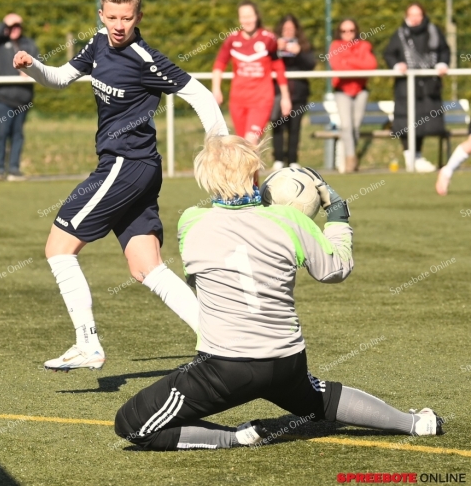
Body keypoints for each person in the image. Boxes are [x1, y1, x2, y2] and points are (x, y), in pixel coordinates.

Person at [114, 135, 444, 451]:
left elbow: (195, 281)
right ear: (256, 172)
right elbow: (336, 270)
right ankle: (416, 423)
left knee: (132, 424)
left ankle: (234, 437)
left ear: (205, 177)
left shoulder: (191, 221)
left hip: (226, 368)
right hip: (286, 362)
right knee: (323, 398)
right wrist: (338, 214)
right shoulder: (288, 218)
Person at [14, 0, 228, 371]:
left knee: (57, 248)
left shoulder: (146, 58)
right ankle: (221, 339)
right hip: (135, 168)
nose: (118, 25)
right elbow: (61, 78)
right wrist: (34, 67)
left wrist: (221, 146)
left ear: (138, 16)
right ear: (101, 14)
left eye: (126, 18)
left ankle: (87, 344)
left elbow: (198, 93)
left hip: (125, 165)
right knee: (146, 266)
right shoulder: (97, 43)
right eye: (111, 17)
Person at [212, 0, 291, 145]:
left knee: (251, 141)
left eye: (250, 16)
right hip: (238, 100)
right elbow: (220, 64)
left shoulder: (268, 38)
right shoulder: (232, 40)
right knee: (242, 146)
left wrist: (286, 97)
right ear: (239, 19)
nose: (247, 20)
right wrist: (216, 89)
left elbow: (278, 67)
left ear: (257, 16)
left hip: (261, 100)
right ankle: (253, 169)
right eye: (243, 16)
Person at [383, 3, 450, 173]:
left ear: (423, 15)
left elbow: (444, 51)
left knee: (425, 121)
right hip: (406, 87)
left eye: (418, 14)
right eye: (411, 14)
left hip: (429, 86)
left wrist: (442, 63)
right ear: (406, 16)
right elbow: (389, 53)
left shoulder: (434, 31)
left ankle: (418, 155)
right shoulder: (399, 34)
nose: (415, 18)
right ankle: (410, 155)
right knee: (406, 120)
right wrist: (397, 65)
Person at [0, 13, 39, 181]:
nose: (14, 29)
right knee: (2, 133)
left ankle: (14, 169)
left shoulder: (28, 44)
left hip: (23, 98)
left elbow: (38, 63)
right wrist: (4, 22)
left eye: (17, 26)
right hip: (2, 97)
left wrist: (29, 71)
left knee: (18, 134)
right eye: (11, 27)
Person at [328, 18, 378, 173]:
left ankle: (351, 157)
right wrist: (356, 63)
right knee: (347, 126)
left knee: (355, 126)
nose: (347, 34)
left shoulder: (364, 45)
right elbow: (336, 65)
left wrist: (348, 61)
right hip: (342, 90)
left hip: (360, 90)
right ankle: (350, 160)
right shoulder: (335, 46)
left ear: (356, 31)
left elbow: (371, 65)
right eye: (344, 31)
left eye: (351, 30)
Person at [270, 14, 315, 171]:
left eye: (291, 29)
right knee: (277, 126)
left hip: (298, 94)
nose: (288, 32)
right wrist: (276, 49)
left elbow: (311, 64)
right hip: (277, 94)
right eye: (285, 29)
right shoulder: (272, 45)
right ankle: (278, 159)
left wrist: (299, 53)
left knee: (294, 128)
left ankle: (293, 159)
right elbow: (266, 63)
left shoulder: (304, 45)